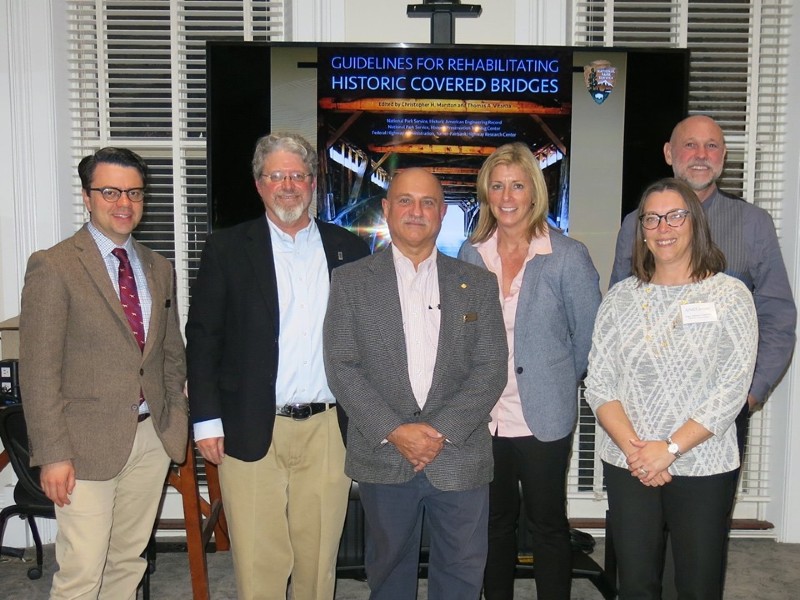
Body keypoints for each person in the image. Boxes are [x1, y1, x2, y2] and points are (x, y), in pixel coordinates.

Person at [185, 132, 370, 600]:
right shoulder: (226, 249)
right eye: (276, 176)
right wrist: (206, 420)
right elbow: (204, 338)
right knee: (259, 559)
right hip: (248, 423)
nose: (288, 185)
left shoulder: (348, 249)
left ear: (312, 182)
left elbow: (367, 340)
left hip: (329, 428)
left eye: (298, 175)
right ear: (259, 184)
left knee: (318, 559)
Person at [323, 168, 508, 600]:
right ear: (386, 210)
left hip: (459, 453)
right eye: (405, 200)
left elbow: (491, 368)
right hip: (384, 453)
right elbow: (341, 366)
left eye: (428, 203)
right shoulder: (350, 282)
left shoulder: (477, 284)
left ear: (443, 214)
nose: (416, 211)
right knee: (388, 573)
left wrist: (437, 433)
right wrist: (396, 431)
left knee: (463, 573)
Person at [18, 147, 189, 599]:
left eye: (134, 193)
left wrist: (173, 415)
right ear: (87, 196)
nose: (124, 203)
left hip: (150, 437)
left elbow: (171, 352)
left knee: (127, 563)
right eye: (110, 191)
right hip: (83, 447)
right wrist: (52, 453)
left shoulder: (158, 267)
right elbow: (37, 372)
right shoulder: (54, 266)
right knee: (81, 572)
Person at [585, 178, 758, 599]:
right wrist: (639, 452)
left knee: (697, 583)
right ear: (641, 230)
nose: (664, 227)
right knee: (636, 582)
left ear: (695, 223)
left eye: (675, 216)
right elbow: (599, 382)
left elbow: (731, 387)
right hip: (631, 461)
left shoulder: (730, 296)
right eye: (652, 218)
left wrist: (670, 449)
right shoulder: (620, 298)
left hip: (703, 462)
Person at [457, 143, 601, 600]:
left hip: (544, 416)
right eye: (497, 185)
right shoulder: (470, 253)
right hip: (485, 418)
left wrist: (552, 380)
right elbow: (460, 337)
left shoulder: (567, 256)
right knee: (493, 525)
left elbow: (588, 338)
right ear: (485, 191)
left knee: (548, 525)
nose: (506, 196)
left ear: (534, 192)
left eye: (517, 185)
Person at [610, 115, 796, 454]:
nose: (701, 154)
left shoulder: (753, 225)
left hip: (719, 414)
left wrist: (751, 393)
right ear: (669, 153)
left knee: (708, 508)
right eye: (690, 145)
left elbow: (777, 317)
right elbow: (617, 319)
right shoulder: (637, 225)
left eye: (712, 146)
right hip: (644, 409)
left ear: (723, 156)